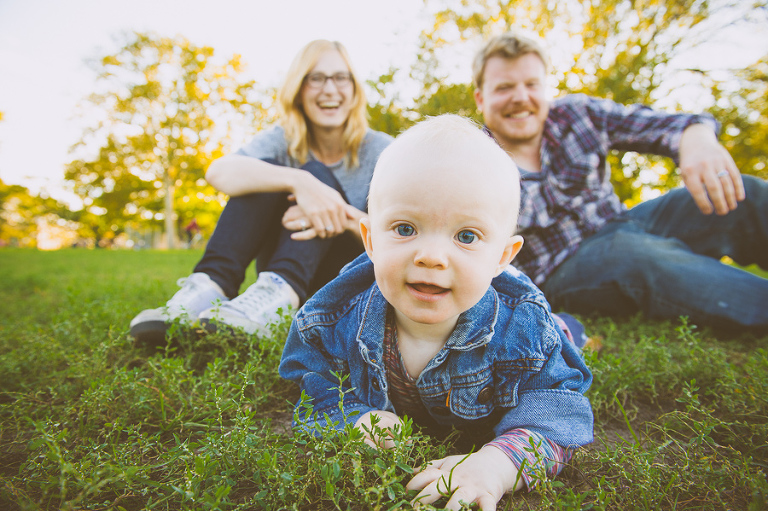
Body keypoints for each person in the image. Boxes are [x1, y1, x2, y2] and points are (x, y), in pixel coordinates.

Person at [279, 115, 594, 510]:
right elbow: (313, 388)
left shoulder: (524, 329)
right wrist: (359, 421)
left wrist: (496, 465)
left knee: (562, 335)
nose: (430, 256)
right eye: (405, 229)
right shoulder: (335, 317)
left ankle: (571, 328)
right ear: (371, 241)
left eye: (466, 236)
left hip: (541, 329)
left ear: (501, 257)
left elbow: (558, 412)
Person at [472, 31, 768, 331]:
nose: (521, 97)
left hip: (625, 222)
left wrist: (697, 138)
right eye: (505, 87)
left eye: (531, 84)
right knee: (633, 254)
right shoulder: (472, 164)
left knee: (744, 193)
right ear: (481, 98)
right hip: (563, 269)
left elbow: (664, 125)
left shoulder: (577, 115)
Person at [130, 40, 393, 345]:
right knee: (265, 170)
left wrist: (337, 214)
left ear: (354, 89)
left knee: (314, 174)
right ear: (299, 90)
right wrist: (299, 183)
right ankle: (210, 286)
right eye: (316, 78)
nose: (330, 89)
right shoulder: (283, 140)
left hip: (348, 273)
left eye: (340, 77)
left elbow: (407, 232)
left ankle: (278, 295)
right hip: (285, 261)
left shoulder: (382, 150)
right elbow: (219, 172)